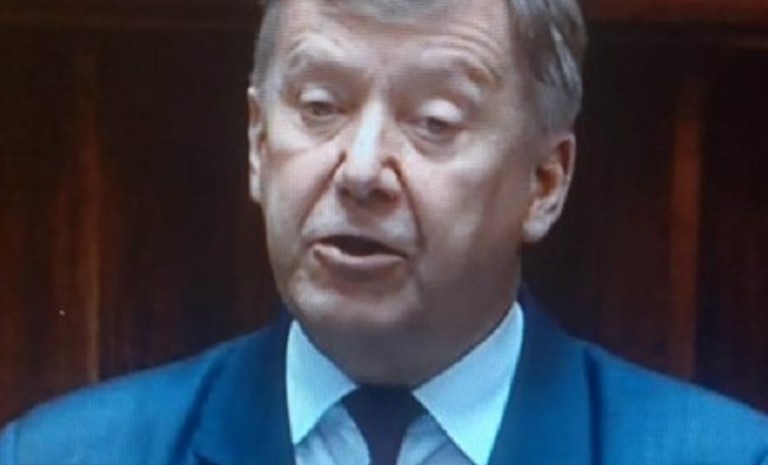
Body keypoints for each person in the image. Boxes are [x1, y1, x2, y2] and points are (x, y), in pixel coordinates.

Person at [1, 0, 767, 463]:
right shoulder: (60, 454)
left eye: (434, 120)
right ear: (259, 145)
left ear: (544, 182)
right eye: (320, 107)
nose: (362, 169)